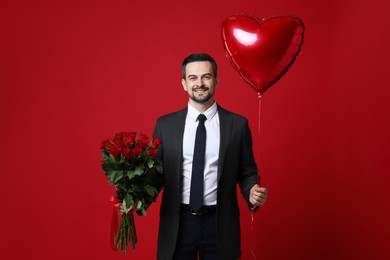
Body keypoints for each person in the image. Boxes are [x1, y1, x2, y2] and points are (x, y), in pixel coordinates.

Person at [124, 53, 268, 259]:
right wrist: (135, 200)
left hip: (220, 224)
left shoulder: (237, 125)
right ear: (184, 83)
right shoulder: (165, 126)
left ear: (216, 80)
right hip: (178, 223)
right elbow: (156, 176)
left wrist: (252, 190)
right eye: (193, 78)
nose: (199, 83)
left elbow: (246, 173)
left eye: (206, 77)